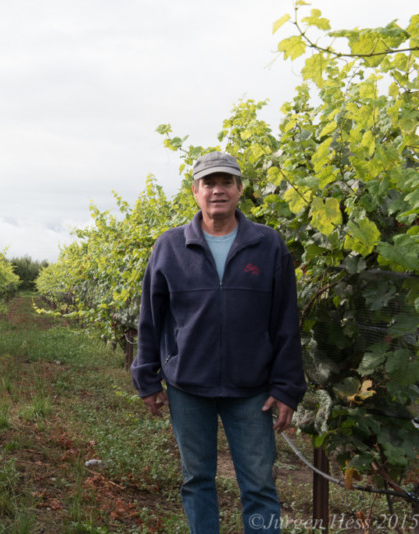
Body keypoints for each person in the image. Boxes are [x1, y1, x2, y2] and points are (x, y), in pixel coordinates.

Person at [130, 151, 306, 533]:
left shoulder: (268, 244)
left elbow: (286, 321)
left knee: (259, 486)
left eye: (226, 182)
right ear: (195, 191)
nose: (217, 190)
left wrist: (287, 386)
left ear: (240, 190)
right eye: (209, 183)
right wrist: (146, 375)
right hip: (188, 387)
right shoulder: (170, 247)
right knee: (197, 481)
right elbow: (151, 318)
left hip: (252, 390)